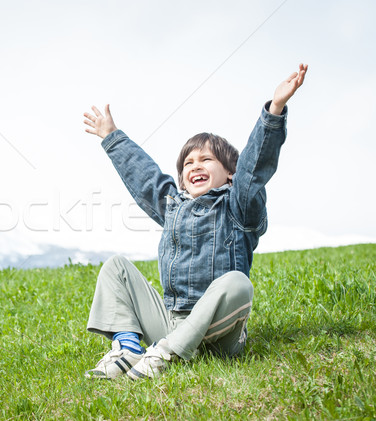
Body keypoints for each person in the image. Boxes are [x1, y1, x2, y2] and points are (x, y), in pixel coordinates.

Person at [82, 64, 308, 380]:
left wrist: (275, 110)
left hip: (219, 335)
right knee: (115, 267)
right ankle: (128, 348)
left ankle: (164, 355)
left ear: (230, 172)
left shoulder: (238, 205)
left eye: (206, 159)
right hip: (171, 322)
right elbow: (144, 176)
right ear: (183, 179)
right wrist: (111, 136)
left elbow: (253, 169)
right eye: (188, 162)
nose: (195, 166)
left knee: (238, 283)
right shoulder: (174, 205)